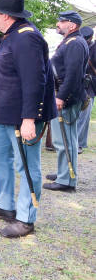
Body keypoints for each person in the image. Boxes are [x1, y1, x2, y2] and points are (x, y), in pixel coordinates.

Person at [0, 0, 56, 238]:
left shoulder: (27, 38)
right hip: (4, 115)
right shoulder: (12, 35)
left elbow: (35, 81)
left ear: (5, 16)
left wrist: (29, 118)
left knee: (27, 166)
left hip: (21, 117)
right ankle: (5, 204)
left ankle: (26, 218)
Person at [43, 11, 88, 192]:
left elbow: (72, 75)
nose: (58, 23)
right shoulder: (71, 41)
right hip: (65, 95)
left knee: (65, 140)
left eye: (62, 21)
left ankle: (67, 181)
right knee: (63, 139)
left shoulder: (75, 43)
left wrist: (61, 97)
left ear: (72, 25)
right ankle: (64, 172)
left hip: (67, 98)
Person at [77, 26, 95, 153]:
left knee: (84, 115)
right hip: (77, 84)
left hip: (90, 86)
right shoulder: (77, 45)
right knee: (76, 114)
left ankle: (79, 143)